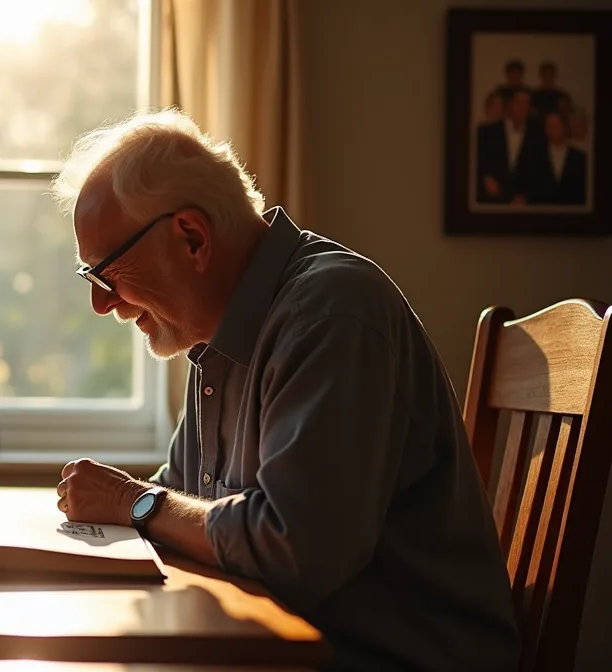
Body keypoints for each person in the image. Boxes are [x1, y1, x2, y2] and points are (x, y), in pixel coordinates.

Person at [51, 109, 520, 671]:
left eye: (106, 273)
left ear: (192, 238)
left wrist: (132, 501)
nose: (101, 304)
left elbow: (294, 548)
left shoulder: (331, 313)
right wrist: (134, 506)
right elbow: (179, 504)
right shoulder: (219, 336)